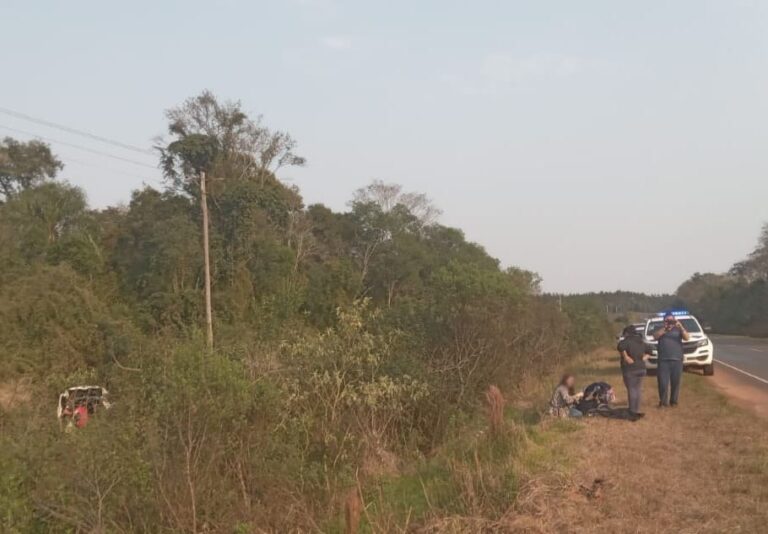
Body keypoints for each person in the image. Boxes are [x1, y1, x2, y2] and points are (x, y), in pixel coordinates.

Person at [653, 312, 690, 407]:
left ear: (675, 320)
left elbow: (687, 338)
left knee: (676, 383)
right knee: (663, 383)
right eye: (667, 320)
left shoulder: (678, 329)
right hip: (663, 360)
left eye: (671, 320)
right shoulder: (660, 328)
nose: (669, 322)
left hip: (677, 360)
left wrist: (680, 326)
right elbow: (655, 336)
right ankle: (663, 402)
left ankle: (674, 402)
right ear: (664, 320)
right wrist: (665, 329)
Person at [618, 324, 649, 418]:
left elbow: (620, 346)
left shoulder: (626, 341)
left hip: (631, 369)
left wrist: (626, 357)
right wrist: (644, 358)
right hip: (641, 368)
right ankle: (637, 409)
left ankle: (632, 411)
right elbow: (650, 350)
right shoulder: (641, 341)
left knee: (632, 389)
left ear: (627, 333)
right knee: (638, 389)